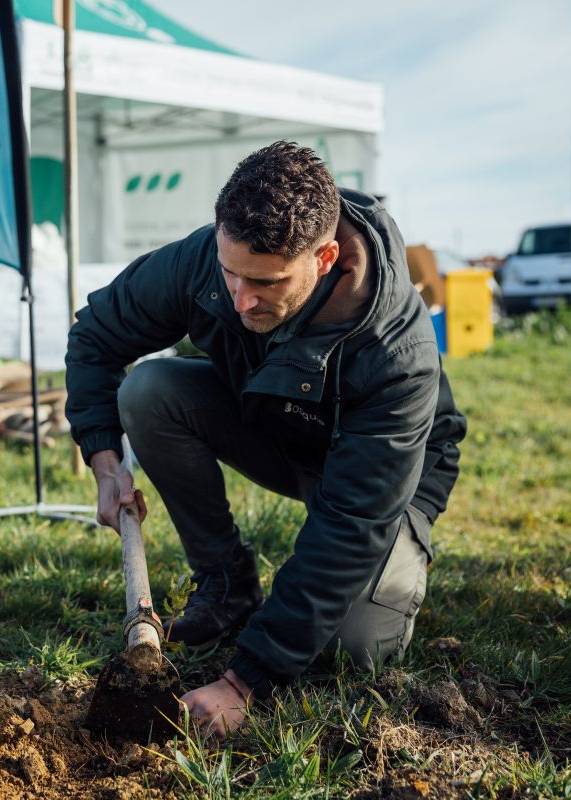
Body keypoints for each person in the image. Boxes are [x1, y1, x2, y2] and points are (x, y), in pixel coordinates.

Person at [65, 141, 467, 738]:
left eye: (266, 282)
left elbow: (354, 521)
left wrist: (244, 680)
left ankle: (377, 582)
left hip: (380, 481)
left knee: (355, 649)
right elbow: (98, 335)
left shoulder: (395, 355)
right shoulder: (211, 259)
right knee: (149, 391)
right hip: (276, 424)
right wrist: (103, 460)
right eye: (230, 273)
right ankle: (226, 587)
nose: (240, 297)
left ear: (325, 257)